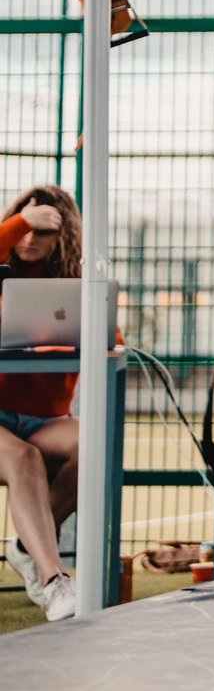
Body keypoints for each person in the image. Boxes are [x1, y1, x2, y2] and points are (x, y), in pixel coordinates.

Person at [0, 185, 84, 621]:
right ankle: (54, 581)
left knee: (94, 446)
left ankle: (25, 546)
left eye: (44, 230)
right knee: (24, 459)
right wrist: (21, 222)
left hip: (43, 419)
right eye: (24, 227)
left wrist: (60, 340)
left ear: (63, 237)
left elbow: (112, 337)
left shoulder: (75, 285)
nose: (30, 238)